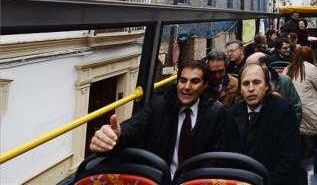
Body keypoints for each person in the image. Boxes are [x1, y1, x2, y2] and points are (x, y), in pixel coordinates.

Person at [88, 60, 225, 179]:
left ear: (205, 85)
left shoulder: (215, 113)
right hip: (158, 178)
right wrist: (115, 135)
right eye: (183, 81)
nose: (187, 87)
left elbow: (215, 158)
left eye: (194, 81)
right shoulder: (159, 105)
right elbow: (134, 126)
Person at [225, 63, 304, 185]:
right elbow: (228, 157)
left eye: (256, 82)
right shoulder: (232, 113)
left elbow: (289, 159)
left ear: (267, 85)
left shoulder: (283, 111)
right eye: (246, 84)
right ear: (240, 88)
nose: (251, 89)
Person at [284, 46, 317, 174]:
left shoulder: (288, 69)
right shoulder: (310, 68)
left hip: (292, 115)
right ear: (311, 56)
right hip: (311, 112)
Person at [246, 52, 302, 126]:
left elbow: (296, 109)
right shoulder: (248, 84)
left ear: (264, 66)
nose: (248, 70)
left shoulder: (284, 81)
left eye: (252, 67)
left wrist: (286, 128)